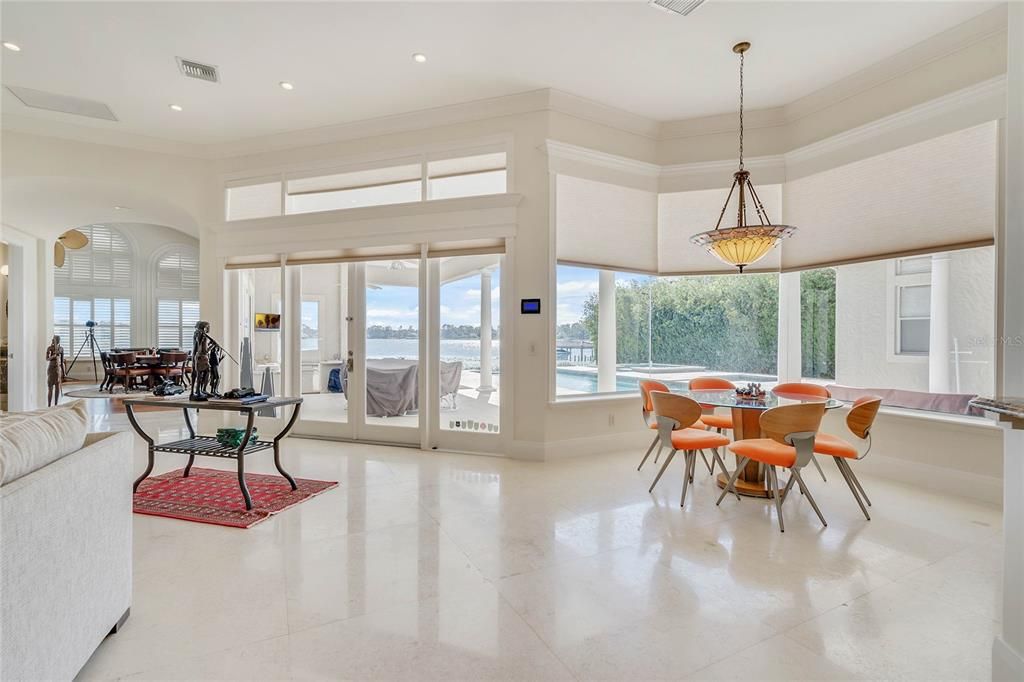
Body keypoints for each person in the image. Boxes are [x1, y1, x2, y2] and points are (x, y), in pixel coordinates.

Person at [46, 335, 64, 406]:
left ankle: (56, 404)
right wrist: (53, 356)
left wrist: (64, 372)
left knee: (57, 386)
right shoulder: (49, 348)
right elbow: (47, 359)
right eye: (53, 340)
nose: (53, 341)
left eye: (55, 340)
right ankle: (49, 405)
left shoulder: (61, 349)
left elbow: (62, 361)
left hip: (58, 369)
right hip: (51, 368)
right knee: (50, 387)